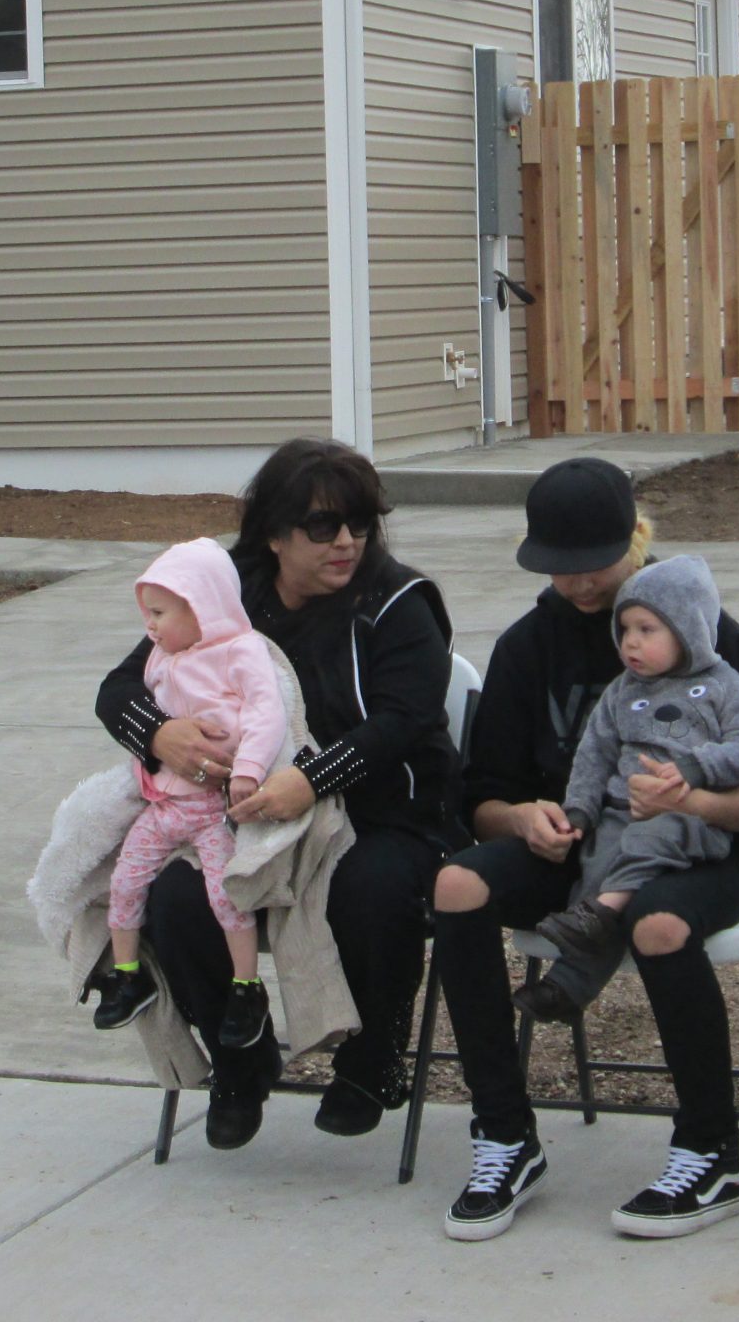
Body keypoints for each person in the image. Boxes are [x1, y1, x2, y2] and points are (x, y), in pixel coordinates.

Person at [431, 457, 739, 1243]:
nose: (577, 585)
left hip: (694, 854)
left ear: (635, 539)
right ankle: (504, 1133)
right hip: (568, 848)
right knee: (458, 887)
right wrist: (523, 817)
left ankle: (713, 1152)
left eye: (593, 564)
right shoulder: (529, 645)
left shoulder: (704, 633)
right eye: (558, 569)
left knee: (658, 926)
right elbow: (480, 797)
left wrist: (694, 800)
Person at [95, 438, 452, 1148]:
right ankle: (241, 1055)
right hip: (239, 817)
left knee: (369, 888)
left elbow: (405, 722)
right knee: (175, 896)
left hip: (385, 811)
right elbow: (118, 688)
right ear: (275, 535)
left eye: (360, 523)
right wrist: (160, 734)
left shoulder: (399, 601)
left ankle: (372, 1058)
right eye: (323, 527)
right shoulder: (224, 594)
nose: (347, 541)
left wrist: (311, 780)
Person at [514, 554, 739, 1023]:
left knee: (642, 847)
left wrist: (694, 771)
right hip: (620, 811)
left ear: (687, 630)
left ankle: (601, 912)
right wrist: (581, 812)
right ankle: (568, 988)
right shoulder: (621, 692)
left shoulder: (723, 687)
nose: (631, 642)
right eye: (625, 629)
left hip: (690, 817)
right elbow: (594, 755)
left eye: (647, 630)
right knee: (597, 859)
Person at [95, 538, 288, 1049]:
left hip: (211, 810)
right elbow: (116, 693)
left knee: (225, 897)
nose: (150, 626)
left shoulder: (240, 651)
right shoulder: (160, 655)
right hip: (164, 804)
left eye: (159, 613)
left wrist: (248, 768)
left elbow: (267, 712)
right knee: (125, 882)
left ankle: (247, 986)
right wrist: (157, 731)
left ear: (201, 607)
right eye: (147, 614)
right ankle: (127, 973)